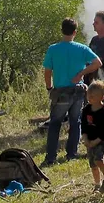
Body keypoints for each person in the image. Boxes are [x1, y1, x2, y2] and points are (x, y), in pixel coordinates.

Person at [42, 18, 101, 165]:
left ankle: (51, 158)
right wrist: (81, 74)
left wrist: (49, 88)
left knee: (55, 123)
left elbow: (48, 72)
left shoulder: (53, 49)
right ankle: (72, 154)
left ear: (62, 30)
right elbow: (97, 63)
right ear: (75, 32)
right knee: (76, 122)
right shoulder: (81, 49)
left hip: (60, 92)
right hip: (78, 91)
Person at [81, 81, 104, 193]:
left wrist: (96, 141)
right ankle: (97, 184)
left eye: (93, 96)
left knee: (98, 160)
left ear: (102, 97)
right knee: (93, 164)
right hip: (90, 139)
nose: (89, 97)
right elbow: (84, 125)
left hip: (101, 140)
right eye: (88, 95)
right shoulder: (86, 110)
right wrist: (85, 138)